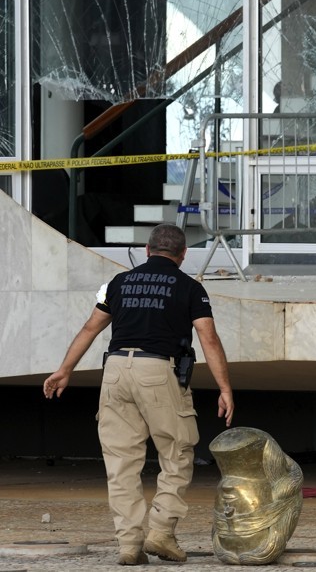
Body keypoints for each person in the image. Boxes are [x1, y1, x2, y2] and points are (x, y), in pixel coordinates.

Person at [43, 224, 235, 566]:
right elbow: (208, 338)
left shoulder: (119, 282)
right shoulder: (189, 287)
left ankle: (129, 546)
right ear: (182, 255)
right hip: (158, 371)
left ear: (147, 251)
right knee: (177, 452)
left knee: (121, 464)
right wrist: (224, 388)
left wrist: (64, 369)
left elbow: (91, 327)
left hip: (115, 371)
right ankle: (161, 531)